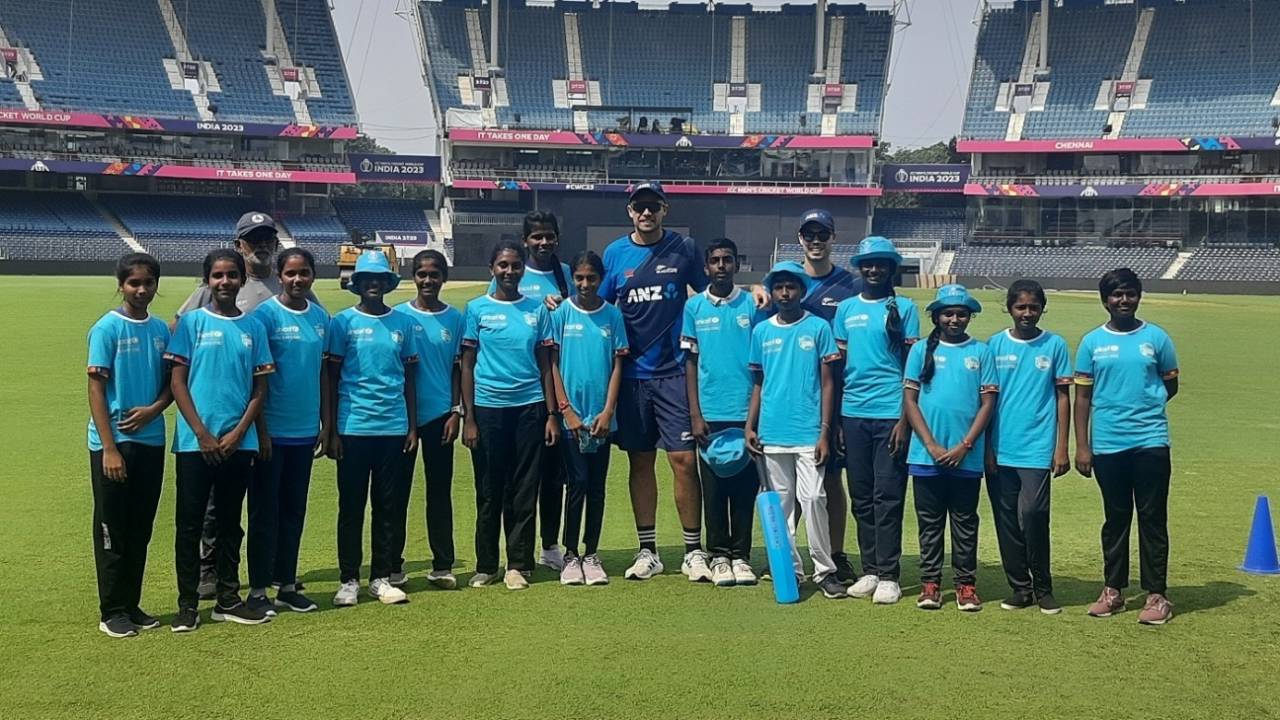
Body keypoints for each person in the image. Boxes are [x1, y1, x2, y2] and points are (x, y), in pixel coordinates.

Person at [173, 211, 308, 599]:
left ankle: (271, 571)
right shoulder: (219, 284)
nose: (262, 245)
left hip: (269, 418)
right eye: (253, 239)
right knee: (216, 506)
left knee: (266, 504)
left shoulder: (287, 284)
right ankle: (209, 571)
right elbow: (179, 330)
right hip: (222, 416)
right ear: (239, 245)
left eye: (268, 238)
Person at [599, 181, 711, 582]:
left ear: (664, 209)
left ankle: (693, 550)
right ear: (630, 211)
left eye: (652, 207)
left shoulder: (684, 248)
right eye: (638, 207)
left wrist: (753, 293)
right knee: (640, 461)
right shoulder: (615, 254)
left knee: (683, 460)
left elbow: (706, 292)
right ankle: (648, 550)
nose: (645, 213)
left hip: (674, 372)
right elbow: (601, 306)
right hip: (631, 376)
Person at [751, 209, 863, 584]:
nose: (816, 241)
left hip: (829, 405)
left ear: (832, 237)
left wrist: (831, 424)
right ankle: (788, 564)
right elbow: (760, 374)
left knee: (825, 489)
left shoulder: (849, 285)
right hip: (781, 417)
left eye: (823, 234)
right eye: (809, 234)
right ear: (800, 238)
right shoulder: (773, 302)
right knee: (787, 497)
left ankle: (833, 558)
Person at [166, 249, 274, 632]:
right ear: (207, 280)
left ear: (242, 280)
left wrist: (239, 432)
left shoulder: (253, 327)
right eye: (217, 275)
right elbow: (177, 382)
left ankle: (228, 599)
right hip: (196, 444)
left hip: (236, 444)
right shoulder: (193, 323)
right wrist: (201, 432)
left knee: (231, 524)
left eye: (232, 275)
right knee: (190, 525)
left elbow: (259, 388)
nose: (225, 282)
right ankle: (187, 604)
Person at [1074, 268, 1179, 626]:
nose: (1123, 300)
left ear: (1139, 296)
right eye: (1116, 294)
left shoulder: (1156, 338)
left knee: (1152, 518)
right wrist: (1083, 447)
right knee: (1116, 519)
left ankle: (1156, 595)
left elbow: (1170, 385)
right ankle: (1113, 591)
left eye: (1130, 293)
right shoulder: (1091, 343)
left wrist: (1144, 410)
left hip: (1150, 442)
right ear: (1105, 300)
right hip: (1108, 445)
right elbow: (1083, 397)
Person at [461, 241, 560, 591]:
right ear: (492, 269)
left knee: (523, 489)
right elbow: (468, 365)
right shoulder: (476, 310)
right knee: (489, 489)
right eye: (503, 265)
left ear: (523, 269)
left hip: (529, 409)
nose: (509, 272)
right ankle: (487, 564)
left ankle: (518, 564)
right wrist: (468, 417)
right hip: (487, 410)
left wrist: (551, 413)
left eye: (515, 266)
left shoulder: (537, 310)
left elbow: (546, 365)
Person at [745, 263, 844, 600]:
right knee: (782, 507)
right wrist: (750, 425)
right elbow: (758, 383)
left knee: (815, 498)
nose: (785, 293)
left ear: (802, 291)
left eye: (791, 287)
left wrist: (825, 432)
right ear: (771, 292)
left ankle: (825, 570)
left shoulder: (818, 328)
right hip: (771, 432)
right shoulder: (761, 331)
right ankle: (789, 570)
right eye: (779, 287)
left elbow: (828, 383)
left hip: (808, 432)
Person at [326, 250, 420, 607]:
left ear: (387, 282)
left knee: (387, 507)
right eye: (367, 279)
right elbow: (333, 378)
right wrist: (331, 429)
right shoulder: (342, 323)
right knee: (351, 507)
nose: (373, 284)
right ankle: (348, 579)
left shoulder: (402, 324)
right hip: (353, 427)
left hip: (393, 428)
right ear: (358, 283)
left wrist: (411, 426)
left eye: (379, 278)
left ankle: (381, 577)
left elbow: (410, 377)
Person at [87, 253, 172, 638]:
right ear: (120, 285)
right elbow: (96, 390)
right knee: (113, 527)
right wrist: (109, 447)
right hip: (114, 444)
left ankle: (131, 603)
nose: (141, 290)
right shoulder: (106, 329)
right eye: (133, 283)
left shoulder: (159, 331)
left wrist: (155, 409)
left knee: (140, 528)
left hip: (151, 442)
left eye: (148, 283)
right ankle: (112, 610)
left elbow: (173, 384)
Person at [833, 236, 919, 604]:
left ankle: (889, 574)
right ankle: (869, 570)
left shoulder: (905, 306)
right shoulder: (846, 309)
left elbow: (912, 368)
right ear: (860, 267)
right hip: (853, 414)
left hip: (890, 414)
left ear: (890, 268)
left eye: (880, 264)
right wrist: (836, 420)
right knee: (861, 497)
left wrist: (904, 419)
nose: (873, 269)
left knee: (888, 495)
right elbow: (837, 371)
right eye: (867, 263)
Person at [486, 211, 574, 572]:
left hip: (560, 382)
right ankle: (514, 548)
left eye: (549, 236)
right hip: (527, 388)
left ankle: (550, 545)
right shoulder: (512, 275)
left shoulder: (565, 273)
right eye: (536, 237)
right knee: (522, 477)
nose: (543, 242)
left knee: (555, 474)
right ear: (525, 242)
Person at [903, 284, 998, 612]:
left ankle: (965, 585)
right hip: (925, 455)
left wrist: (965, 445)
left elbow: (988, 404)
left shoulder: (981, 351)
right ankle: (930, 583)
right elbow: (910, 401)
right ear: (937, 316)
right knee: (929, 523)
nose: (955, 319)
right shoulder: (920, 351)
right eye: (948, 313)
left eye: (961, 313)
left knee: (964, 522)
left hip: (966, 458)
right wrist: (929, 443)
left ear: (970, 316)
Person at [245, 248, 329, 616]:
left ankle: (287, 584)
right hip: (271, 433)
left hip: (305, 431)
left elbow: (326, 375)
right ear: (279, 275)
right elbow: (256, 380)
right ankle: (259, 589)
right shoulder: (264, 317)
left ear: (312, 276)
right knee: (265, 511)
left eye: (304, 273)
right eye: (291, 273)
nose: (298, 280)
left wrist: (326, 425)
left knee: (294, 510)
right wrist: (260, 429)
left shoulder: (322, 319)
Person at [985, 279, 1071, 615]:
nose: (1027, 313)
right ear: (1009, 308)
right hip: (999, 448)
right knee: (1006, 520)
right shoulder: (994, 345)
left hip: (1036, 448)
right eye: (1021, 307)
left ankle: (1043, 587)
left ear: (1042, 308)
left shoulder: (1055, 345)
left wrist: (1061, 447)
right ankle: (1020, 587)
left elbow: (1064, 397)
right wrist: (986, 448)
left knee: (1034, 515)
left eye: (1033, 307)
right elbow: (987, 400)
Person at [681, 238, 764, 587]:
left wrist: (754, 417)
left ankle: (741, 556)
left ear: (736, 265)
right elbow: (690, 361)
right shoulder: (694, 308)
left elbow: (760, 364)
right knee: (713, 488)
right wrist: (695, 414)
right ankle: (718, 556)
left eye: (727, 260)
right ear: (706, 267)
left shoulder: (752, 304)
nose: (720, 266)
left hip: (746, 413)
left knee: (745, 488)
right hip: (710, 413)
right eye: (714, 260)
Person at [547, 250, 628, 586]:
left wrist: (608, 411)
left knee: (596, 487)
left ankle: (591, 553)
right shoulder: (562, 312)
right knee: (576, 484)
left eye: (590, 278)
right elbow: (552, 363)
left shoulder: (612, 316)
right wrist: (566, 411)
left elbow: (618, 365)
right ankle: (570, 554)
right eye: (579, 278)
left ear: (601, 278)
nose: (584, 284)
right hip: (573, 420)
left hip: (602, 420)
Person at [395, 249, 465, 590]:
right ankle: (393, 565)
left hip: (440, 416)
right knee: (397, 493)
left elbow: (458, 369)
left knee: (439, 492)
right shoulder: (398, 316)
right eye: (421, 274)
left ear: (444, 278)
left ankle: (442, 565)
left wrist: (456, 410)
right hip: (401, 419)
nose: (427, 280)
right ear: (413, 277)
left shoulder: (455, 318)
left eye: (434, 274)